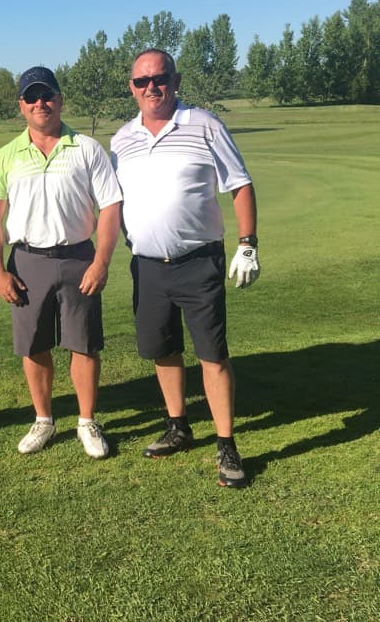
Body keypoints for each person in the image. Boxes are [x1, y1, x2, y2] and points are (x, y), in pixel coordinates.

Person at [110, 48, 260, 488]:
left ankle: (227, 444)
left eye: (160, 78)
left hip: (198, 262)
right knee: (163, 350)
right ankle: (179, 426)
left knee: (212, 354)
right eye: (142, 81)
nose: (151, 87)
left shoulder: (205, 125)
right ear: (132, 88)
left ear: (175, 81)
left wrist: (247, 244)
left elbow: (240, 184)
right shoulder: (121, 139)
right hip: (148, 266)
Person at [0, 66, 122, 459]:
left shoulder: (87, 149)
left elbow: (111, 208)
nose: (40, 103)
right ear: (21, 106)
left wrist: (101, 261)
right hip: (27, 261)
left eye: (47, 95)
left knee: (84, 345)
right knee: (34, 346)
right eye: (31, 97)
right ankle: (44, 419)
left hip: (79, 256)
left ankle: (86, 421)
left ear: (60, 100)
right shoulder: (7, 156)